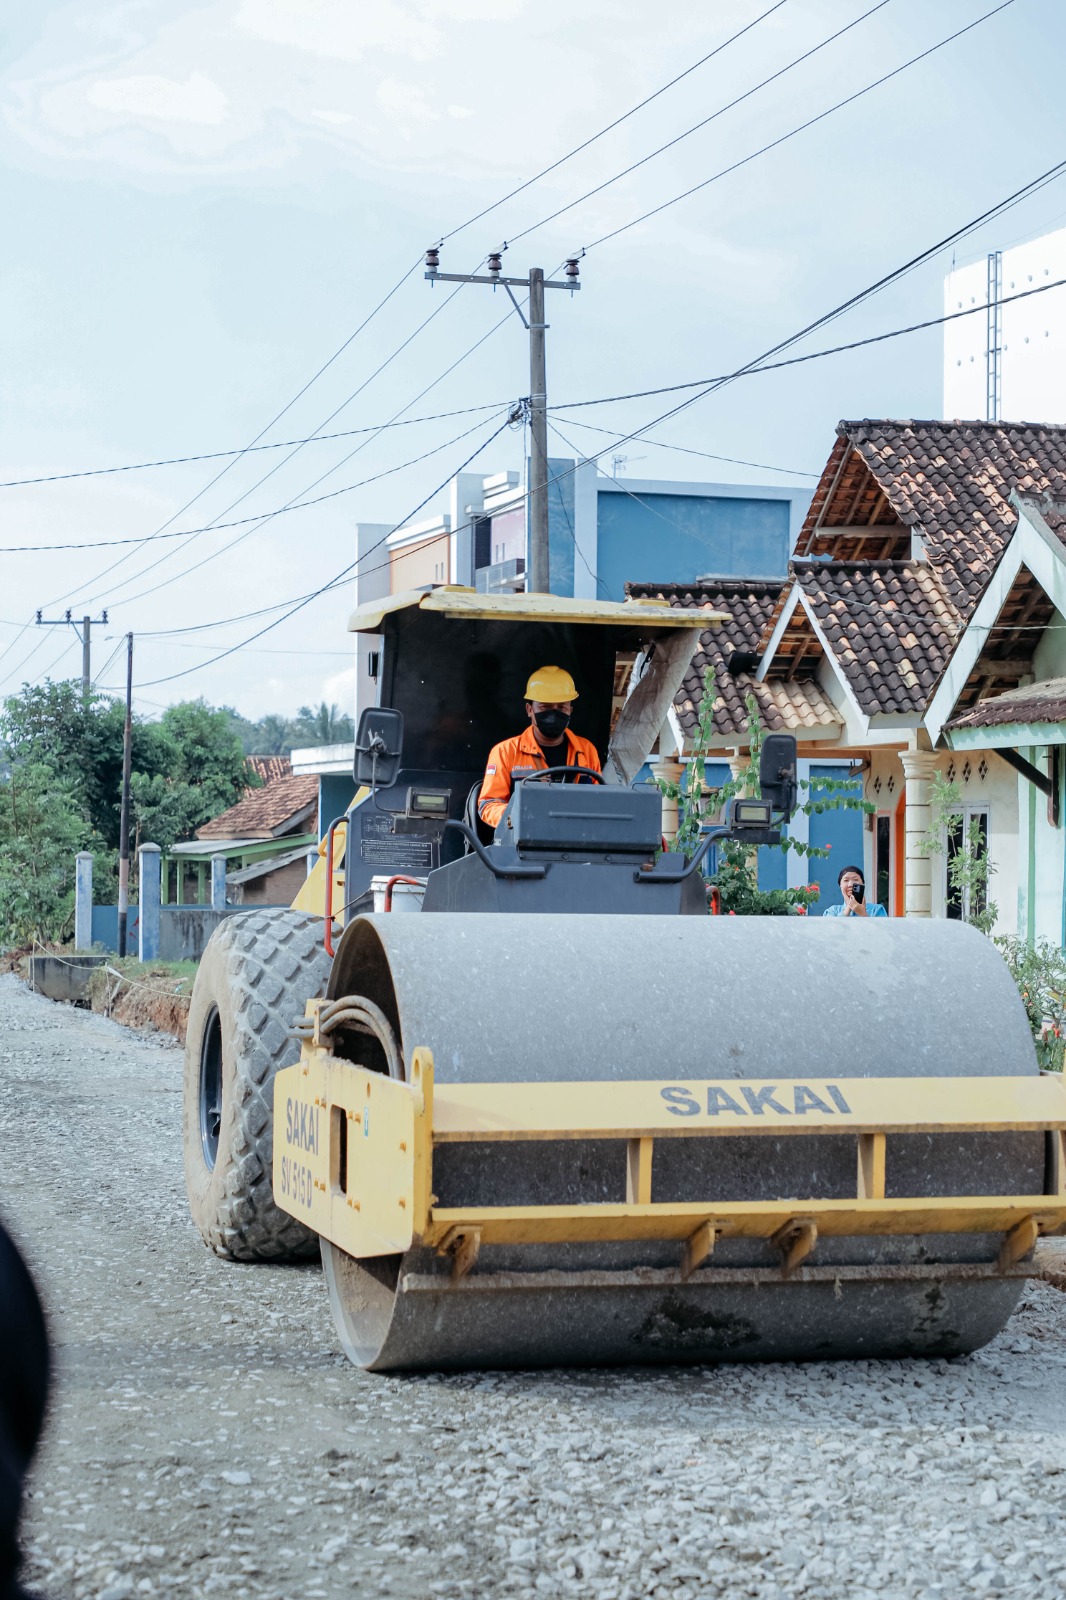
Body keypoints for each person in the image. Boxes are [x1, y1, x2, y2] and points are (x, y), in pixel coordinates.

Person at [478, 666, 601, 830]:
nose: (553, 713)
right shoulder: (505, 752)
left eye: (561, 707)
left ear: (570, 710)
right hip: (522, 846)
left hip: (577, 841)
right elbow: (489, 804)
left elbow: (601, 802)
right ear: (530, 710)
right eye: (545, 707)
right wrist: (519, 817)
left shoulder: (587, 751)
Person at [822, 863, 888, 917]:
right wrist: (848, 907)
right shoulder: (832, 911)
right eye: (846, 880)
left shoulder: (877, 910)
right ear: (840, 885)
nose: (850, 884)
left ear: (863, 884)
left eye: (855, 880)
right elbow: (832, 931)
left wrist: (862, 913)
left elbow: (881, 932)